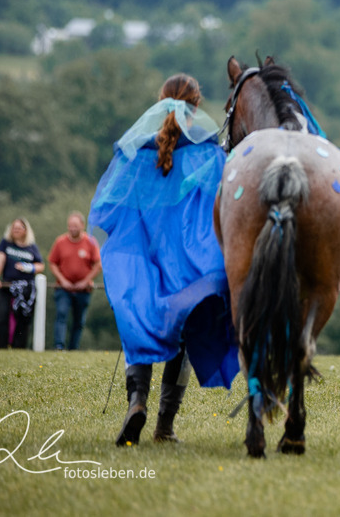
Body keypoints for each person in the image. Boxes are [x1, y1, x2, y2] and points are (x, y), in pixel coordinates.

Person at [89, 73, 240, 446]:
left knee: (139, 327)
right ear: (197, 103)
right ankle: (164, 426)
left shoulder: (138, 149)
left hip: (143, 258)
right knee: (184, 335)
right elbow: (222, 204)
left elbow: (112, 206)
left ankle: (136, 401)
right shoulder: (206, 150)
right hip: (186, 261)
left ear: (160, 100)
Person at [48, 211, 102, 351]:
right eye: (70, 226)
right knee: (61, 314)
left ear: (82, 226)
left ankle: (73, 348)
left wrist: (85, 281)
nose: (72, 228)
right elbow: (52, 263)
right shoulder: (60, 242)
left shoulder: (90, 242)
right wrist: (63, 280)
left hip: (83, 290)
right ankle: (59, 345)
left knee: (79, 321)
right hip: (63, 288)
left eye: (75, 226)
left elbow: (98, 265)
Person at [0, 218, 44, 349]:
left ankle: (19, 347)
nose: (16, 230)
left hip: (26, 289)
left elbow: (40, 265)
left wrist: (28, 267)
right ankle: (1, 346)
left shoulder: (31, 247)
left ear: (26, 231)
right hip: (8, 285)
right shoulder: (6, 244)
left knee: (23, 317)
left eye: (19, 228)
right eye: (14, 228)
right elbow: (0, 260)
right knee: (2, 316)